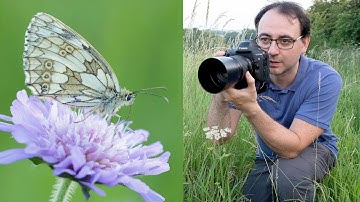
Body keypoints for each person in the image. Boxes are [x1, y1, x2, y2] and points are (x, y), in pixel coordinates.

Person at [206, 1, 342, 201]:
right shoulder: (247, 72)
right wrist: (221, 91)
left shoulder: (324, 78)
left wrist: (250, 108)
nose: (272, 51)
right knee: (251, 197)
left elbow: (292, 147)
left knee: (289, 176)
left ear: (304, 43)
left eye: (285, 41)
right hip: (269, 154)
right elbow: (216, 138)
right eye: (265, 39)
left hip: (315, 147)